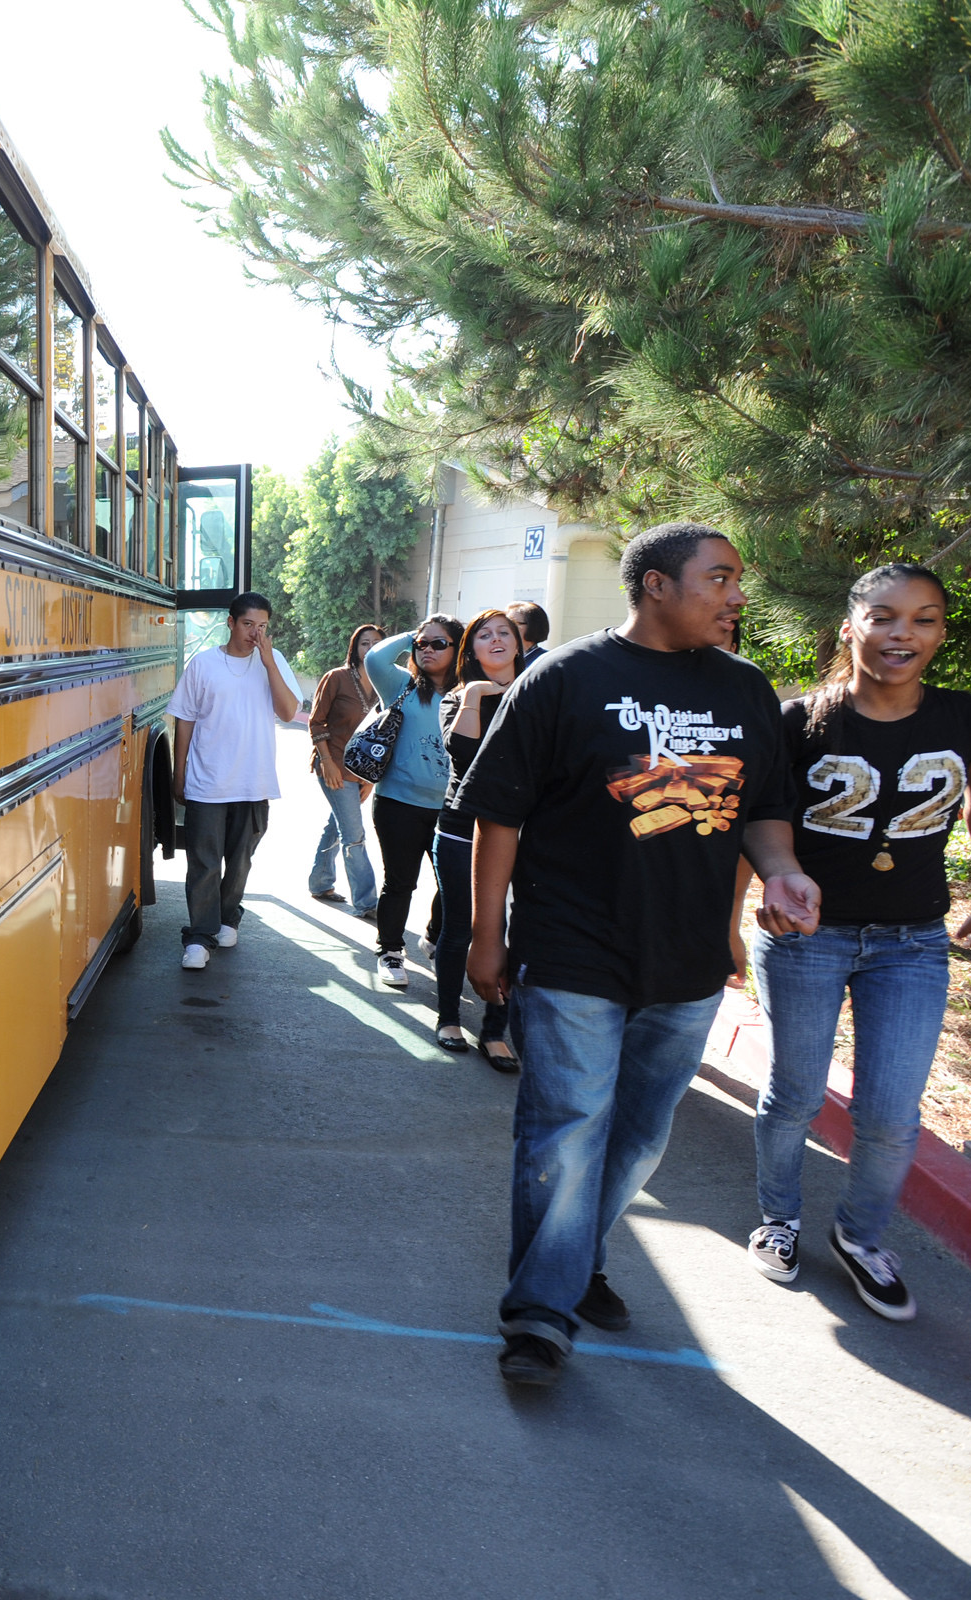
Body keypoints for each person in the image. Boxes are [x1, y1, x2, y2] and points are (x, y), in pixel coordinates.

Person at [460, 522, 819, 1387]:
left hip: (688, 958)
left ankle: (574, 1257)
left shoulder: (746, 689)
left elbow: (762, 808)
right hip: (575, 945)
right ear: (655, 585)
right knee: (568, 1131)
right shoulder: (564, 678)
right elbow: (498, 814)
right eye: (720, 578)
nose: (737, 595)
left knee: (639, 1137)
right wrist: (485, 934)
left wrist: (783, 873)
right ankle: (540, 1316)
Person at [739, 564, 971, 1321]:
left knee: (892, 1113)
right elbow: (758, 825)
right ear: (850, 627)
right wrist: (730, 924)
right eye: (886, 617)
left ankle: (861, 1237)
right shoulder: (797, 722)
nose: (904, 634)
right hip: (806, 937)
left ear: (940, 633)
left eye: (924, 620)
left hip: (913, 942)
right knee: (794, 1094)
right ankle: (780, 1221)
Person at [170, 593, 301, 971]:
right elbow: (185, 719)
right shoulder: (204, 664)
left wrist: (268, 662)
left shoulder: (273, 661)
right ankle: (199, 935)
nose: (255, 634)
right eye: (248, 625)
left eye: (262, 627)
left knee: (240, 860)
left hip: (253, 780)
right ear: (231, 623)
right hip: (208, 779)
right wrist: (179, 773)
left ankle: (228, 917)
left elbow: (289, 711)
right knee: (203, 862)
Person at [432, 609, 524, 1065]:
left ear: (518, 643)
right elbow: (465, 755)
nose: (496, 640)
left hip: (520, 833)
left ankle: (494, 1029)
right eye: (484, 635)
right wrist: (475, 694)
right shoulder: (459, 697)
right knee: (460, 928)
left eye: (504, 633)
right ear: (471, 650)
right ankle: (448, 1017)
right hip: (461, 830)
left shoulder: (538, 694)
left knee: (507, 930)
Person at [362, 617, 462, 990]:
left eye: (440, 644)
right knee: (400, 882)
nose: (428, 650)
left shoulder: (469, 691)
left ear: (458, 649)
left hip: (450, 808)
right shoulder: (401, 686)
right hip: (398, 803)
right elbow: (374, 658)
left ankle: (434, 936)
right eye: (423, 644)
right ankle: (390, 951)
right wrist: (414, 632)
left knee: (451, 883)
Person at [307, 624, 385, 918]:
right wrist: (326, 761)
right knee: (354, 834)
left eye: (377, 643)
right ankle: (367, 903)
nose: (370, 648)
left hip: (362, 772)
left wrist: (370, 780)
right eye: (365, 643)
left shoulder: (386, 684)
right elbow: (316, 722)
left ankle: (320, 882)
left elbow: (382, 736)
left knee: (337, 826)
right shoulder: (336, 678)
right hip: (333, 765)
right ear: (355, 647)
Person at [508, 601, 552, 666]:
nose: (506, 628)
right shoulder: (501, 660)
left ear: (533, 626)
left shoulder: (547, 661)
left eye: (513, 623)